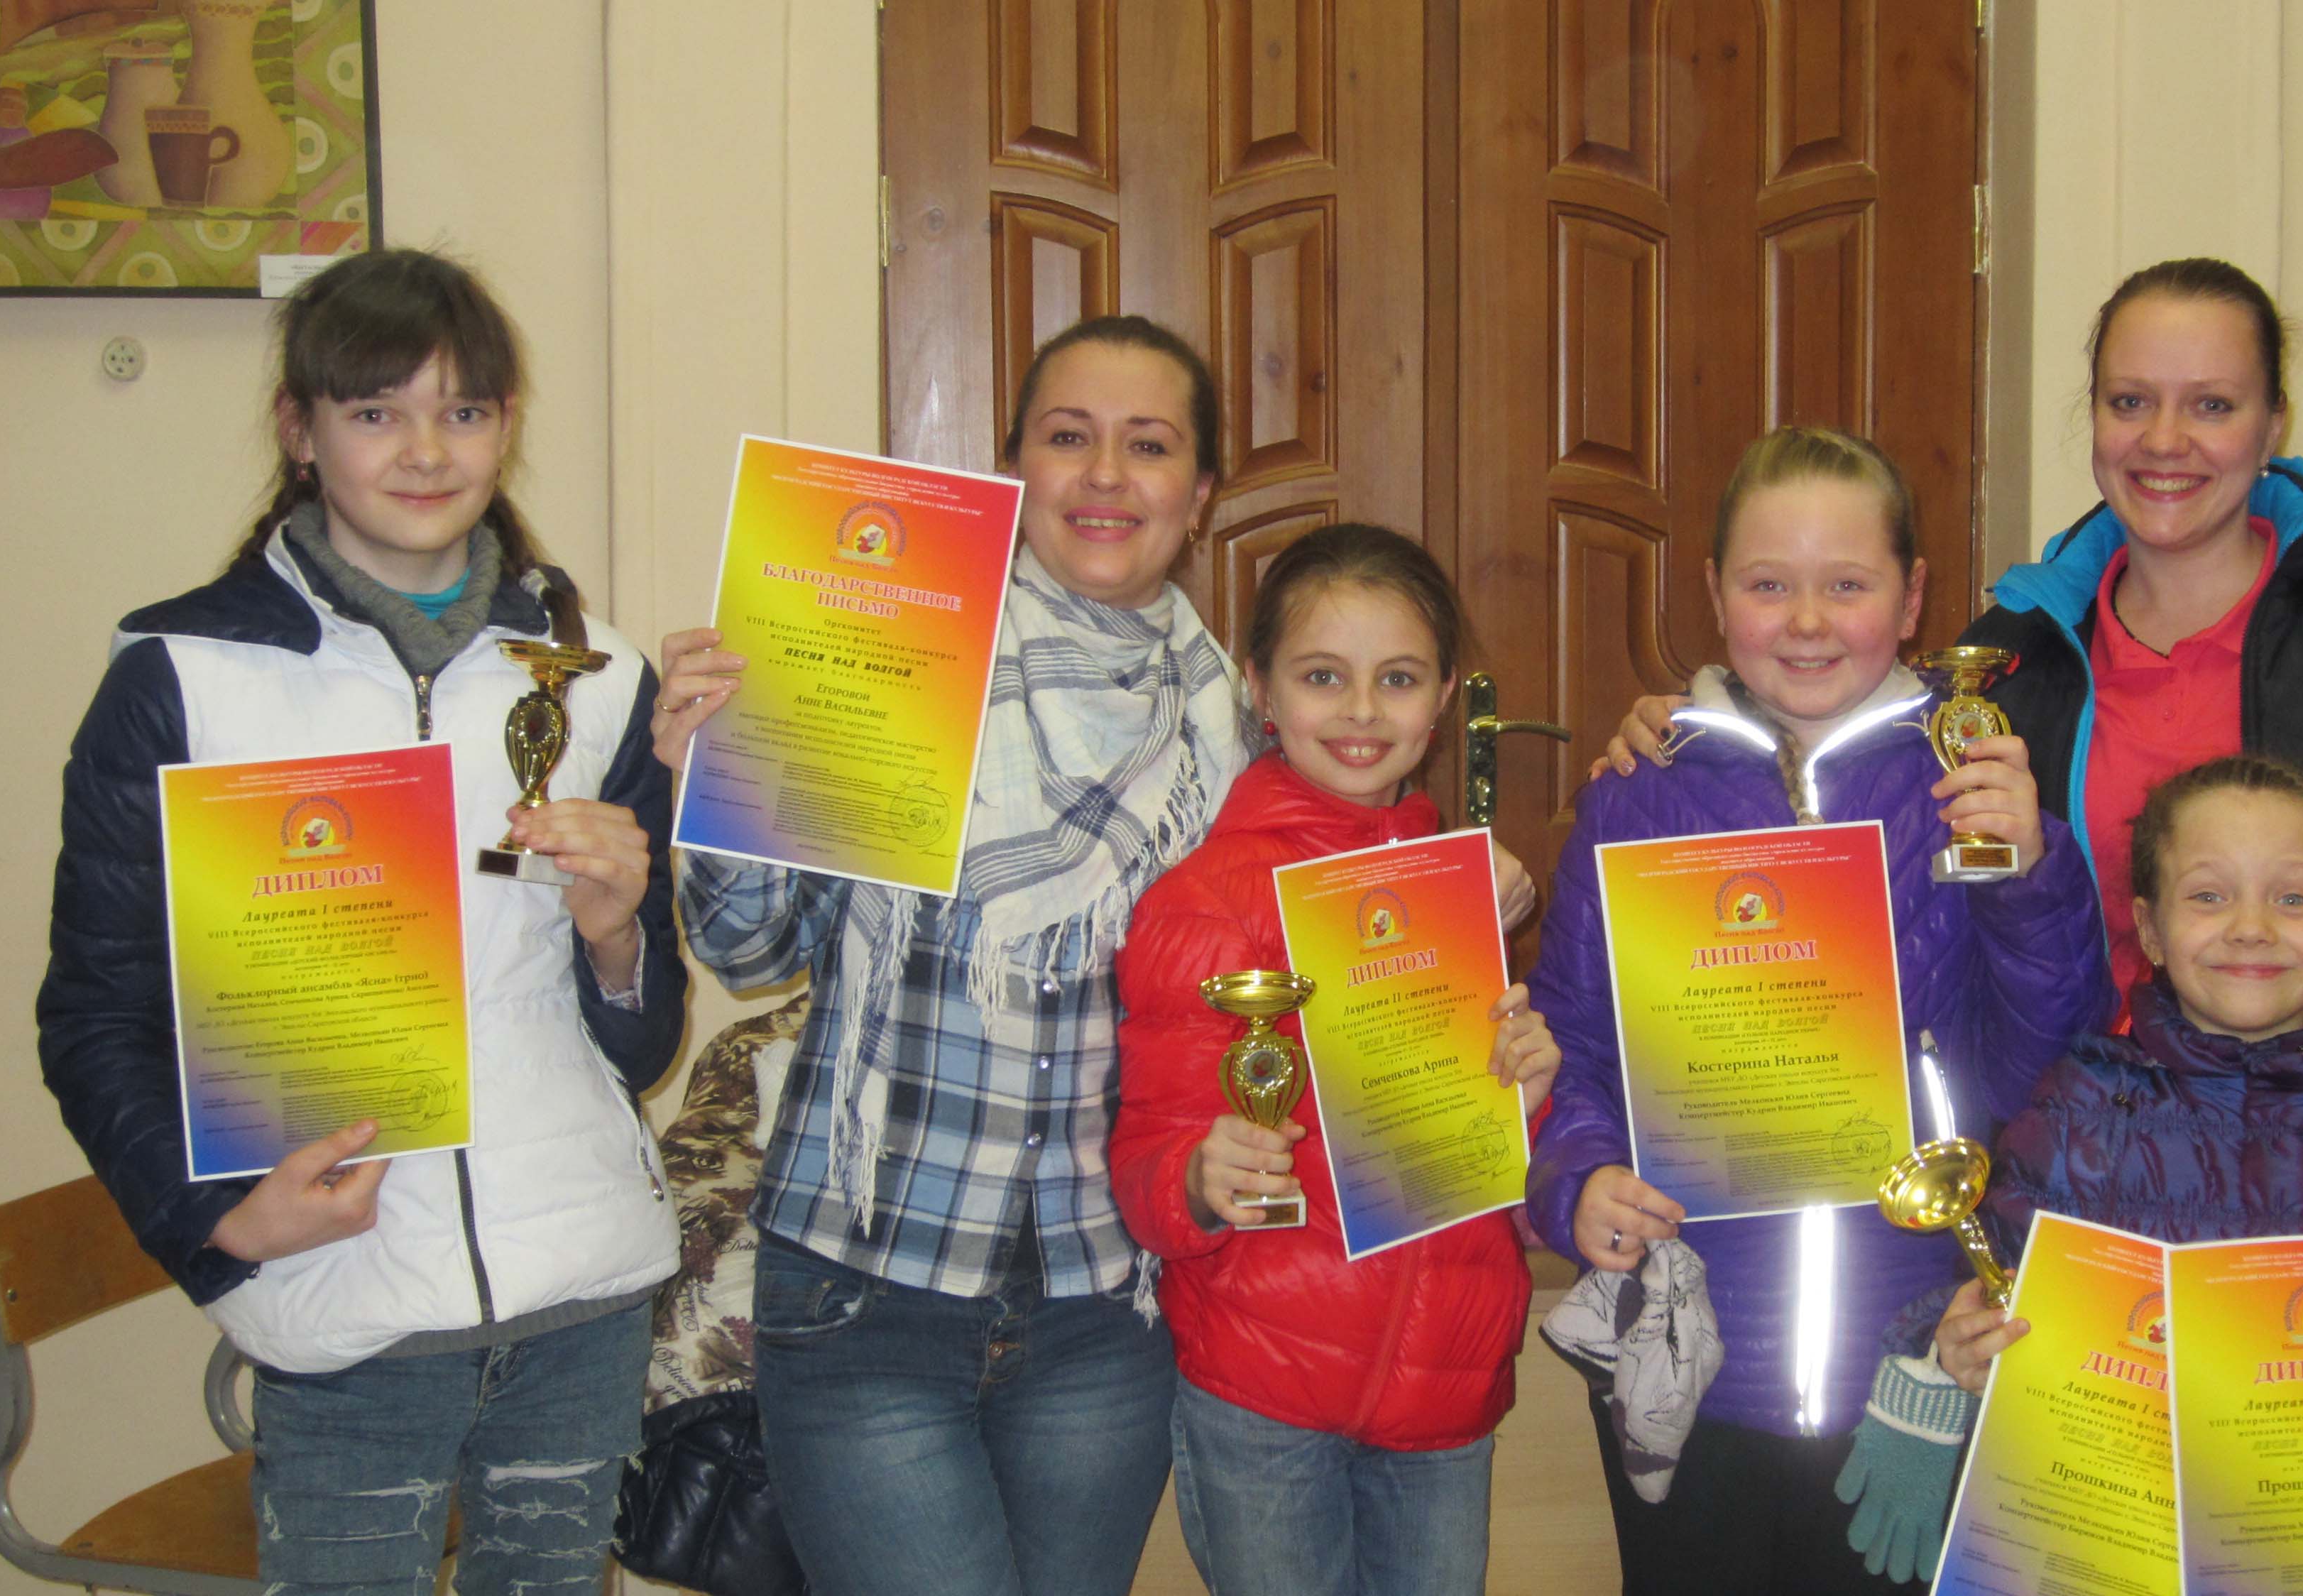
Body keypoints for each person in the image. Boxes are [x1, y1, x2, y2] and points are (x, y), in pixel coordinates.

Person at [663, 317, 1522, 1596]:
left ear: (1201, 492)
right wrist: (718, 780)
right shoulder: (887, 656)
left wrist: (1493, 875)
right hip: (867, 1289)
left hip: (1101, 1314)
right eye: (1070, 437)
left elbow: (1364, 920)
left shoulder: (1241, 732)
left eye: (1150, 446)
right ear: (1014, 462)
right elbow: (749, 948)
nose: (1108, 475)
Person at [37, 248, 688, 1591]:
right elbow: (93, 1011)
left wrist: (619, 937)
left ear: (507, 425)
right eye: (376, 410)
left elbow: (639, 1044)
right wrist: (214, 1216)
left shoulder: (595, 675)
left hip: (582, 1294)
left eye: (465, 411)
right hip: (344, 1308)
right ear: (300, 429)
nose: (426, 451)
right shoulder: (185, 675)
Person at [1597, 261, 2303, 1016]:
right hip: (2086, 1153)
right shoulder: (2006, 655)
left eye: (2212, 405)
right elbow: (1855, 787)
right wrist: (1703, 728)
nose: (2164, 441)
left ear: (2274, 424)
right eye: (2130, 400)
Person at [1526, 425, 2109, 1594]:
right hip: (1691, 1358)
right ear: (1712, 594)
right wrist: (1578, 1179)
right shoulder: (1638, 794)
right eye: (1767, 585)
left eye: (1848, 584)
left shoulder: (1968, 787)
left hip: (1908, 1359)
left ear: (1913, 597)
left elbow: (2052, 1063)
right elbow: (1572, 1043)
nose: (1806, 622)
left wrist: (2032, 874)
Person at [1837, 756, 2303, 1594]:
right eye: (2209, 895)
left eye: (2293, 898)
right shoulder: (2078, 1103)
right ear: (2148, 928)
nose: (2250, 927)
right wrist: (1950, 1352)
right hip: (2114, 1556)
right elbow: (1986, 1287)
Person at [1110, 522, 1562, 1596]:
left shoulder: (1459, 895)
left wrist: (1529, 1096)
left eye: (1397, 678)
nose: (1362, 711)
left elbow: (1483, 1161)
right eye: (1324, 676)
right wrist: (1199, 1178)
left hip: (1446, 1392)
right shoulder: (1204, 902)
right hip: (1262, 1393)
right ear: (1259, 687)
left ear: (1443, 697)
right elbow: (1144, 1165)